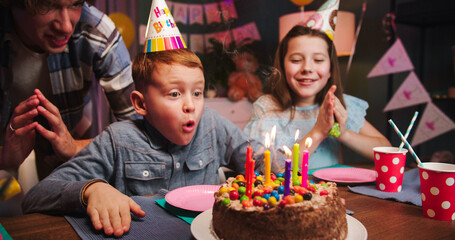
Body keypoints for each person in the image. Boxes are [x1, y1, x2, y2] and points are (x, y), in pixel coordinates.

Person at [22, 48, 268, 237]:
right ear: (141, 104)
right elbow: (36, 196)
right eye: (175, 93)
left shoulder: (212, 125)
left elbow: (257, 158)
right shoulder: (117, 140)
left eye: (197, 93)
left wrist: (279, 167)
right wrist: (92, 190)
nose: (190, 106)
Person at [0, 0, 137, 179]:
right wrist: (4, 158)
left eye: (75, 4)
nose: (65, 26)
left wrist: (75, 147)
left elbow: (141, 134)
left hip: (69, 156)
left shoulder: (97, 30)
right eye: (47, 5)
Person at [244, 25, 391, 170]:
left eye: (318, 60)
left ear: (330, 70)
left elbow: (388, 151)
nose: (307, 68)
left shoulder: (339, 105)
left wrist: (342, 133)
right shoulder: (268, 108)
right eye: (296, 60)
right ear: (282, 67)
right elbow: (262, 168)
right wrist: (318, 132)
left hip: (330, 193)